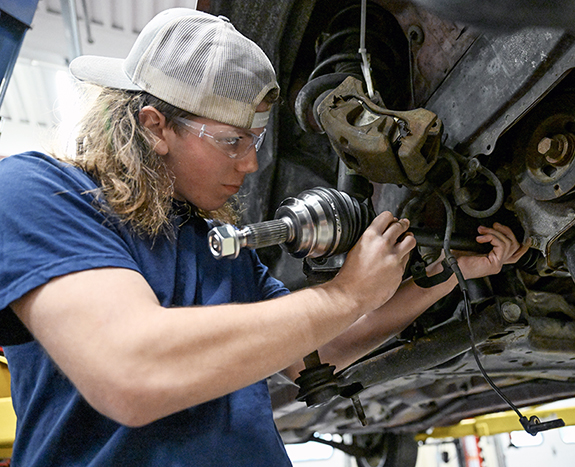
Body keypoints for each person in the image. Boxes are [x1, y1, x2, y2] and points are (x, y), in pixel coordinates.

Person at [0, 7, 528, 466]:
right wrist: (346, 292)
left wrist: (446, 274)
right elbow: (133, 371)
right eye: (232, 141)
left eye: (255, 140)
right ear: (155, 125)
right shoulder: (39, 191)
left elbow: (319, 347)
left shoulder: (211, 245)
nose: (251, 163)